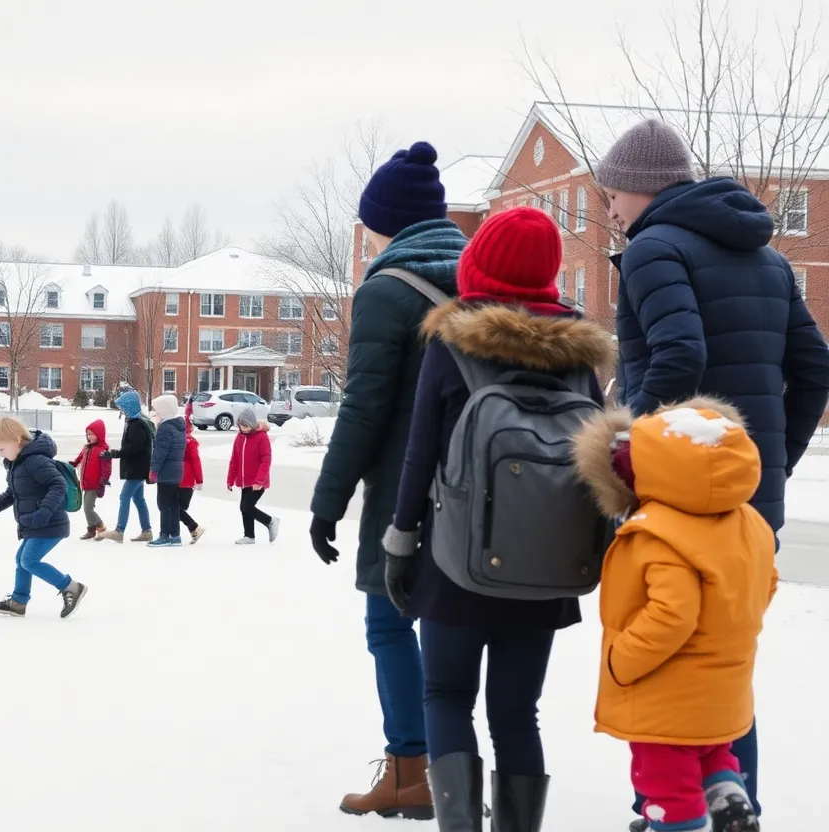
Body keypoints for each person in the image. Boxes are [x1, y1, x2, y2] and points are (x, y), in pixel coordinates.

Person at [597, 118, 829, 827]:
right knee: (723, 661)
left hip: (673, 500)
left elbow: (678, 356)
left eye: (612, 194)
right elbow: (815, 367)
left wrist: (633, 461)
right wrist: (773, 465)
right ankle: (734, 804)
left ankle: (668, 811)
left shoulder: (653, 250)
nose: (608, 207)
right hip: (749, 499)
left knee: (663, 654)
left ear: (642, 189)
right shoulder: (767, 258)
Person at [381, 207, 614, 830]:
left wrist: (401, 544)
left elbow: (419, 454)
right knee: (517, 713)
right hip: (544, 566)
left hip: (454, 563)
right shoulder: (578, 359)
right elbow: (599, 464)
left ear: (476, 264)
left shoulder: (453, 342)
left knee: (447, 696)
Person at [308, 140, 467, 817]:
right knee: (452, 629)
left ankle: (409, 770)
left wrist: (327, 502)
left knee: (389, 624)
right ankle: (451, 769)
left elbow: (365, 407)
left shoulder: (387, 289)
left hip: (406, 490)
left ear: (386, 222)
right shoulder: (479, 278)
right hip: (475, 486)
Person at [573, 398, 774, 832]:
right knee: (714, 753)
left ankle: (674, 823)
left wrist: (622, 660)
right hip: (724, 688)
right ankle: (731, 803)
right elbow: (767, 582)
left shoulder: (657, 532)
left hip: (664, 692)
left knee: (665, 782)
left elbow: (672, 613)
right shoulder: (749, 522)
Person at [0, 416, 85, 618]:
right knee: (22, 560)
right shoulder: (16, 464)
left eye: (1, 448)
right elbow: (13, 493)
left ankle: (71, 587)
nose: (0, 454)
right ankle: (18, 602)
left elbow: (58, 484)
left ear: (17, 440)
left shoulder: (36, 461)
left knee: (29, 560)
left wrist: (43, 513)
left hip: (49, 523)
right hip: (33, 523)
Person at [97, 390, 154, 543]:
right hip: (139, 467)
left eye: (123, 407)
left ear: (129, 407)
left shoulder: (137, 425)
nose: (121, 411)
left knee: (124, 497)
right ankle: (147, 530)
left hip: (137, 468)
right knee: (139, 499)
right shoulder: (135, 422)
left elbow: (134, 448)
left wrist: (114, 454)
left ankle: (119, 531)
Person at [227, 408, 278, 544]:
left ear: (252, 425)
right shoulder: (239, 437)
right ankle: (249, 536)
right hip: (244, 480)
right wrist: (230, 479)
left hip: (257, 481)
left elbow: (266, 460)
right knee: (244, 507)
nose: (243, 429)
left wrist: (259, 480)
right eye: (241, 426)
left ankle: (270, 521)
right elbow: (234, 459)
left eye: (246, 426)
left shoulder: (261, 437)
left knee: (247, 506)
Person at [147, 394, 187, 547]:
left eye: (157, 411)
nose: (156, 414)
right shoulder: (179, 426)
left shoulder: (165, 428)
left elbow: (160, 452)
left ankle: (165, 536)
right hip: (176, 469)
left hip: (166, 470)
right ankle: (175, 535)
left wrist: (153, 469)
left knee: (164, 504)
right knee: (173, 504)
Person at [72, 419, 112, 540]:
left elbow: (107, 469)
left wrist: (103, 481)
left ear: (99, 434)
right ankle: (91, 530)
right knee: (87, 508)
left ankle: (101, 527)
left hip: (95, 484)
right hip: (85, 483)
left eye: (92, 434)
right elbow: (78, 460)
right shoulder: (86, 448)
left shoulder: (103, 451)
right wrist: (70, 465)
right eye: (88, 434)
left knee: (88, 508)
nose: (89, 437)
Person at [179, 419, 205, 544]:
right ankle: (193, 528)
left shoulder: (184, 441)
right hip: (187, 479)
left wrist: (199, 479)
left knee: (176, 507)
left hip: (181, 477)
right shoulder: (190, 441)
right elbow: (196, 461)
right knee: (179, 507)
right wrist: (199, 479)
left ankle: (194, 527)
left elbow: (195, 460)